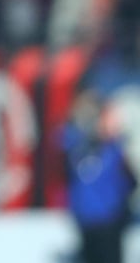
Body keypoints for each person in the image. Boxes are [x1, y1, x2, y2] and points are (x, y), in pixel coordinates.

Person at [62, 89, 135, 263]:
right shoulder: (74, 147)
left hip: (110, 223)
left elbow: (130, 181)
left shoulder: (114, 149)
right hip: (85, 223)